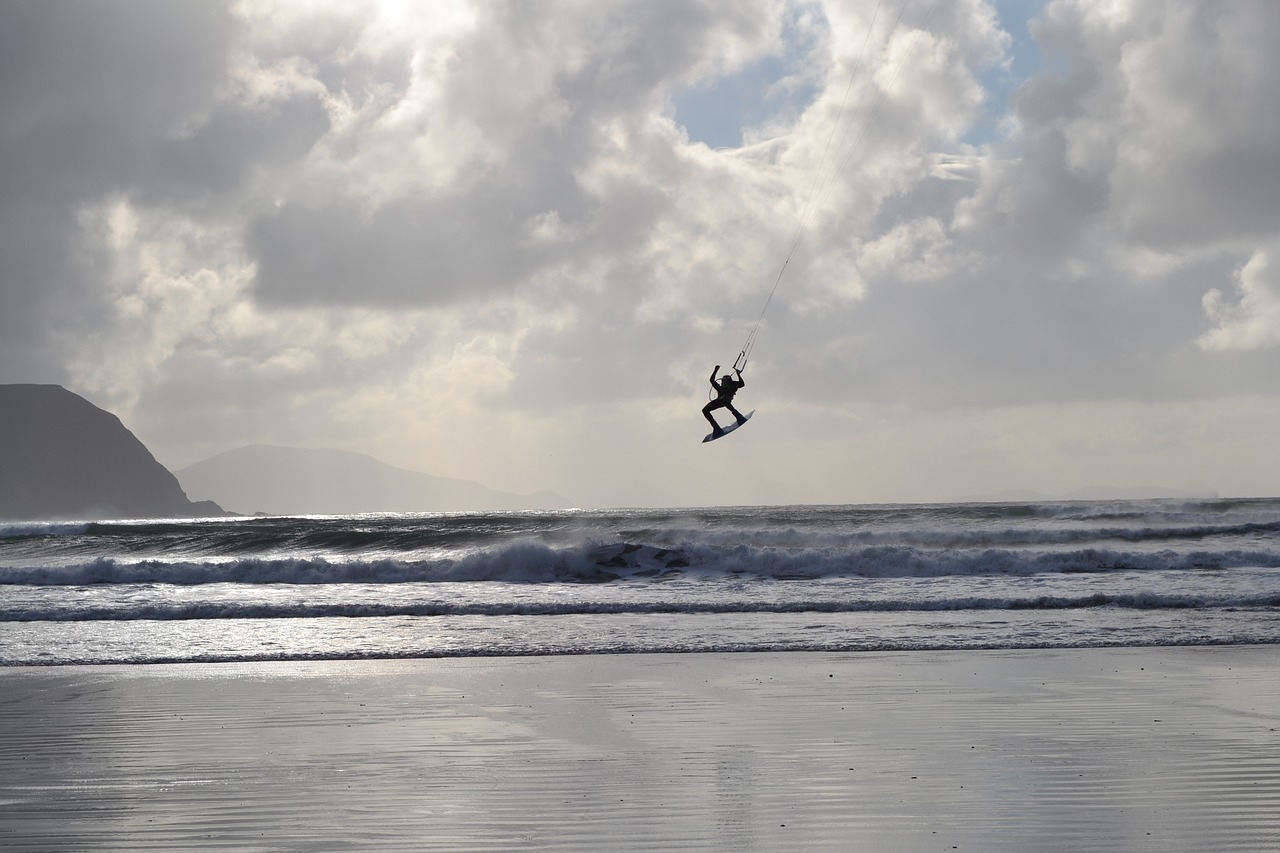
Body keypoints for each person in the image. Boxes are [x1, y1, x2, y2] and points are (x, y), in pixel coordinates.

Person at [702, 364, 747, 437]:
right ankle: (716, 427)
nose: (723, 381)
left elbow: (742, 384)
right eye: (722, 380)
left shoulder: (733, 384)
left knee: (723, 399)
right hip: (719, 401)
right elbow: (711, 380)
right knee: (704, 410)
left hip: (726, 399)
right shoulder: (719, 387)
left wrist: (738, 374)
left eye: (725, 379)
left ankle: (738, 416)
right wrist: (715, 370)